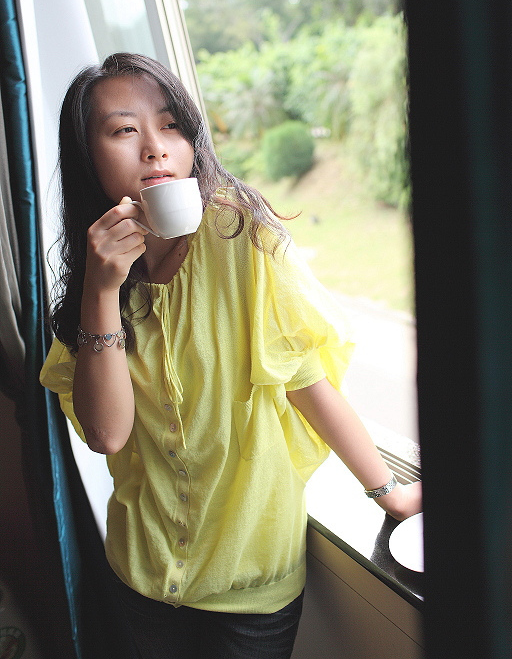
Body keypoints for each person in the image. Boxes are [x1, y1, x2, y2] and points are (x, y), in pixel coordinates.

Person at [40, 53, 422, 659]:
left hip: (251, 586)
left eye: (171, 125)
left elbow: (305, 380)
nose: (155, 148)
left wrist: (387, 491)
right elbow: (108, 434)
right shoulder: (98, 276)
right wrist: (101, 291)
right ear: (88, 156)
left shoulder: (240, 238)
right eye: (124, 130)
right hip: (140, 574)